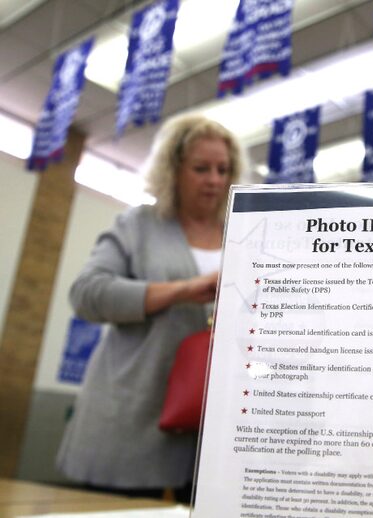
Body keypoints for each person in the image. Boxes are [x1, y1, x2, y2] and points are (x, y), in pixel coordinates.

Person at [56, 114, 246, 502]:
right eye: (201, 168)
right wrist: (182, 289)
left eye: (223, 169)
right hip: (131, 416)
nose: (214, 179)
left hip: (215, 428)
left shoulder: (244, 235)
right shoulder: (138, 225)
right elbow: (87, 293)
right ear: (173, 170)